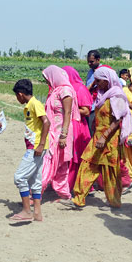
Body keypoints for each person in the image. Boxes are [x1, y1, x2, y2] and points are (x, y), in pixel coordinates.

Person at [71, 68, 132, 209]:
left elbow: (117, 120)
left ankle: (114, 202)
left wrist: (104, 137)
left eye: (99, 81)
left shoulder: (116, 96)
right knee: (87, 164)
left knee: (111, 171)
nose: (96, 83)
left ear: (107, 80)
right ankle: (79, 198)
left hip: (110, 139)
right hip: (98, 137)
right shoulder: (101, 95)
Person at [10, 79, 50, 222]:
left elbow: (46, 122)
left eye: (16, 96)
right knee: (35, 180)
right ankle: (37, 213)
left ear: (20, 94)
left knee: (19, 177)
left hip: (36, 148)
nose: (17, 98)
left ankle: (27, 211)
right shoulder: (29, 105)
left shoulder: (35, 104)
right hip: (35, 147)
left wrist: (41, 144)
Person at [41, 65, 80, 204]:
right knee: (59, 164)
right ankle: (64, 194)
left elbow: (68, 113)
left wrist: (63, 135)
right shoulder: (55, 90)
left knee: (49, 162)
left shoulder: (65, 90)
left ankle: (36, 194)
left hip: (60, 133)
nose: (46, 81)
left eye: (47, 78)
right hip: (52, 131)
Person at [62, 66, 92, 191]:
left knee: (77, 157)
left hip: (78, 126)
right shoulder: (64, 89)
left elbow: (86, 111)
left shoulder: (80, 89)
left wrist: (68, 110)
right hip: (68, 124)